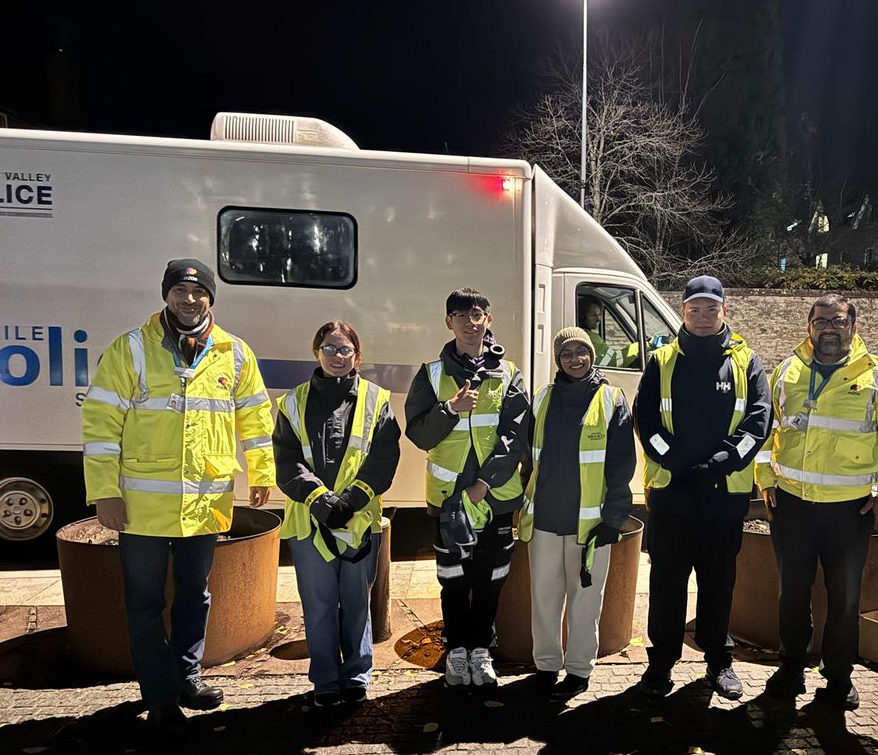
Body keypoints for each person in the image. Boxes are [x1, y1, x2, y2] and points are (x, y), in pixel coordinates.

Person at [81, 258, 275, 735]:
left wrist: (262, 471)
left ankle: (188, 679)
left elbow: (255, 416)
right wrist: (105, 492)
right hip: (142, 509)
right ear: (166, 295)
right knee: (144, 603)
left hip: (204, 504)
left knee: (194, 595)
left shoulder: (234, 352)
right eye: (179, 292)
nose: (189, 300)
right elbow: (101, 426)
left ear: (211, 297)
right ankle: (160, 697)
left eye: (198, 292)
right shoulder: (131, 348)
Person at [757, 294, 878, 710]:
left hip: (849, 509)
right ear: (808, 327)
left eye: (838, 321)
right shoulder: (787, 371)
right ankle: (791, 668)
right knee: (792, 595)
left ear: (853, 327)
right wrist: (765, 479)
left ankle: (839, 677)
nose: (829, 328)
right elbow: (767, 429)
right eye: (821, 321)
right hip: (792, 505)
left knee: (844, 599)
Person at [633, 275, 771, 700]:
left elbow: (759, 422)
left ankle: (718, 661)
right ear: (683, 312)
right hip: (672, 490)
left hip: (722, 493)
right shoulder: (661, 361)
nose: (703, 316)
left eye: (712, 309)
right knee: (667, 582)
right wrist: (672, 459)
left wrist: (723, 461)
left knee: (718, 581)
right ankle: (661, 663)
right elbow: (646, 419)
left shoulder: (747, 362)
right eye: (695, 309)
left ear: (724, 311)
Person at [405, 288, 530, 689]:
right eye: (461, 315)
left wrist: (483, 484)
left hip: (495, 497)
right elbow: (418, 434)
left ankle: (481, 650)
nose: (470, 322)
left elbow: (516, 436)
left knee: (491, 579)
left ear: (488, 320)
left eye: (477, 314)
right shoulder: (431, 374)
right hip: (448, 499)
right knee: (453, 578)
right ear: (449, 322)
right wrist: (449, 410)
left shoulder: (508, 373)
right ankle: (457, 650)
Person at [272, 321, 401, 707]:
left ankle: (357, 675)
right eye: (329, 348)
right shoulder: (292, 402)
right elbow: (286, 460)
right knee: (319, 604)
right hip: (310, 521)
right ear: (317, 352)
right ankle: (326, 680)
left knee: (357, 602)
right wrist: (319, 500)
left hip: (358, 520)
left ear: (357, 356)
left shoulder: (377, 399)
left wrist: (350, 501)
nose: (337, 356)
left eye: (345, 349)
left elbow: (385, 456)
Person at [519, 327, 636, 702]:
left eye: (581, 351)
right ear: (558, 360)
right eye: (567, 353)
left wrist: (614, 517)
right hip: (545, 519)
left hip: (591, 524)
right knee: (544, 598)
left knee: (586, 600)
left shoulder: (612, 400)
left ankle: (579, 670)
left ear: (592, 355)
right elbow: (527, 459)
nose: (575, 359)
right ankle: (546, 666)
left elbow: (622, 465)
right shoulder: (542, 398)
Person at [579, 295, 639, 369]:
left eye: (599, 314)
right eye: (593, 315)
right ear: (582, 316)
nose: (598, 319)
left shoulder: (584, 335)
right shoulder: (589, 338)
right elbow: (613, 361)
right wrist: (639, 348)